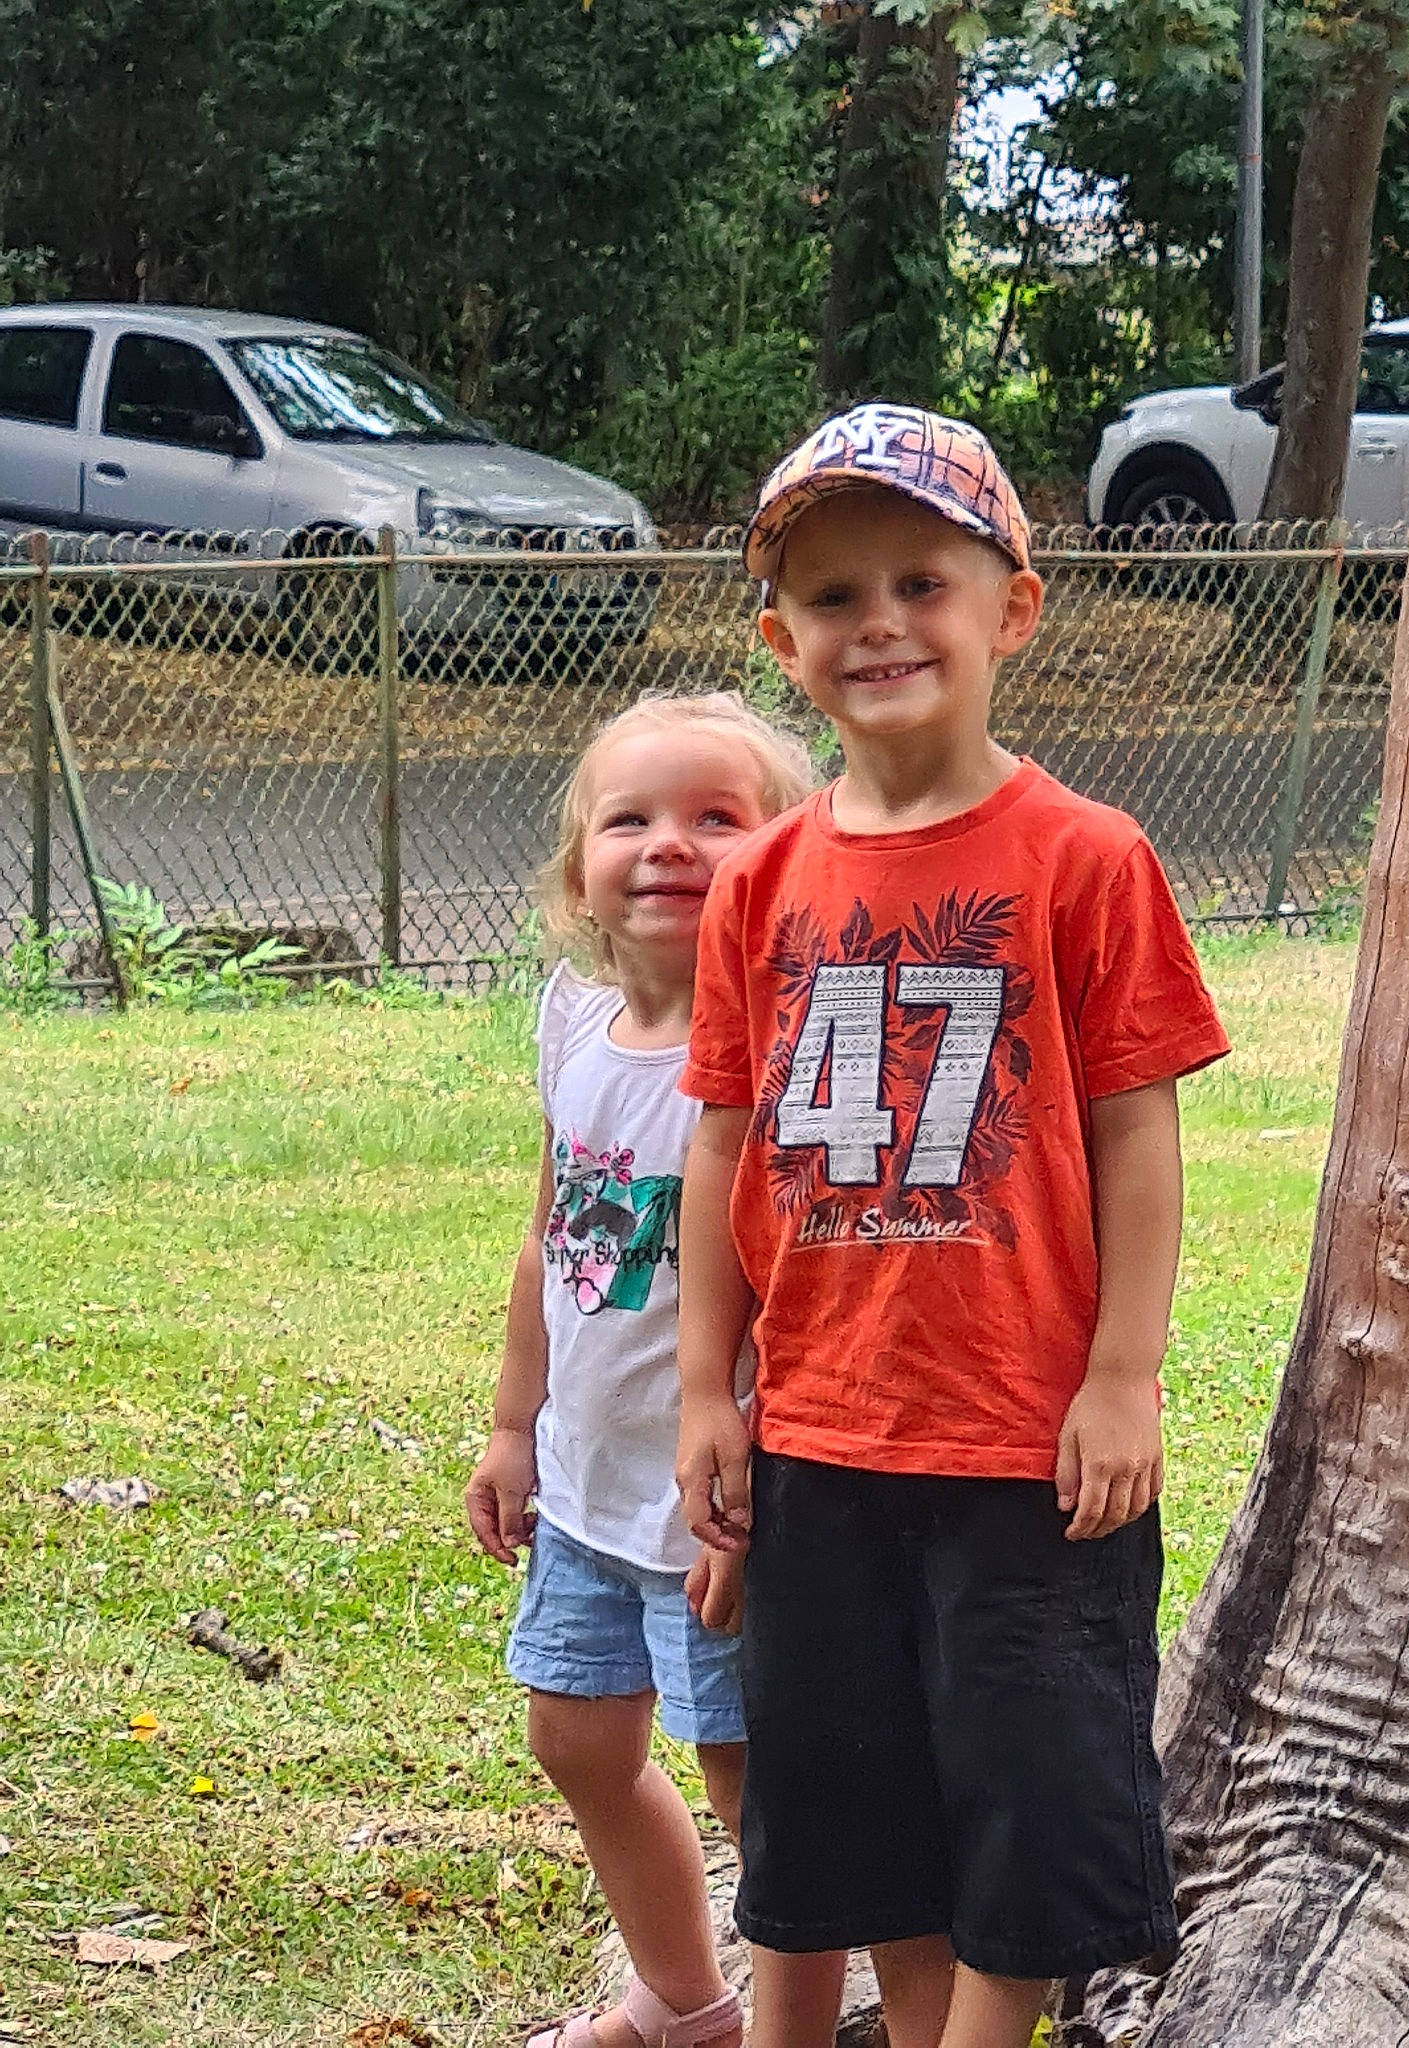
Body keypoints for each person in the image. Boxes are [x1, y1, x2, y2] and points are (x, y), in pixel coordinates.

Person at [674, 406, 1232, 2048]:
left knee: (1032, 1820)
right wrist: (709, 1388)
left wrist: (1122, 1373)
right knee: (869, 1827)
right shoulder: (761, 884)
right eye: (834, 597)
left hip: (1027, 1455)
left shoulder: (1088, 860)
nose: (881, 626)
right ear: (781, 642)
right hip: (824, 1445)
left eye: (922, 583)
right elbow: (723, 1144)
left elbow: (1137, 1131)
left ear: (1014, 610)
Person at [465, 693, 843, 2048]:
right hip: (584, 1488)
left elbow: (810, 1288)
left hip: (714, 1501)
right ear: (580, 873)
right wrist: (515, 1428)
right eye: (630, 818)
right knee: (574, 1739)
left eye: (716, 818)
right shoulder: (572, 1022)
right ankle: (684, 2002)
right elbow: (547, 1234)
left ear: (788, 858)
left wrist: (758, 1472)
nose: (670, 844)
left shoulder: (782, 1053)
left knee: (753, 1785)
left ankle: (798, 2025)